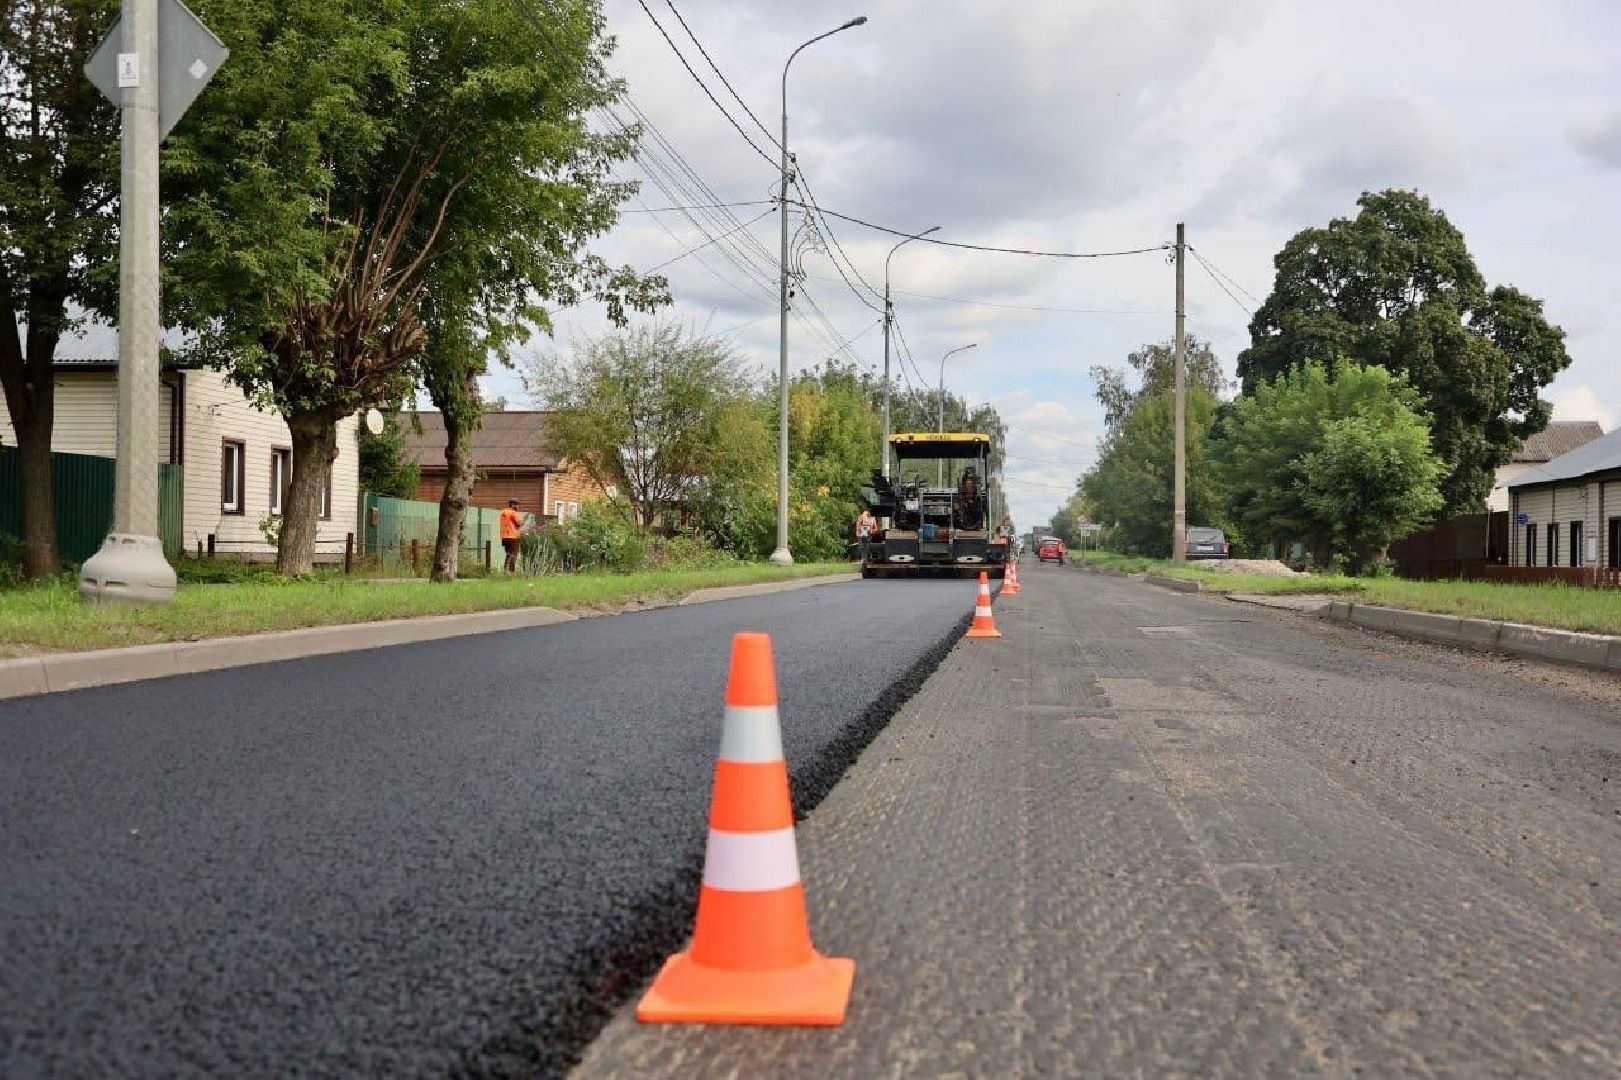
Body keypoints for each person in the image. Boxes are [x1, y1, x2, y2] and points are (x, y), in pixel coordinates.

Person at [499, 498, 525, 571]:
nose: (518, 507)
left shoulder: (503, 512)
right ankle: (511, 572)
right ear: (513, 505)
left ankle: (505, 571)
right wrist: (523, 522)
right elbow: (518, 523)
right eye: (517, 505)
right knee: (513, 554)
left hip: (504, 537)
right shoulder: (513, 512)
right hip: (513, 536)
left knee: (508, 554)